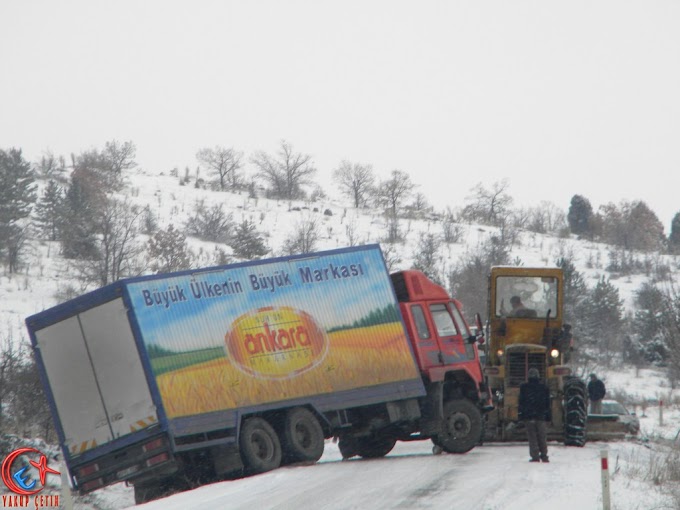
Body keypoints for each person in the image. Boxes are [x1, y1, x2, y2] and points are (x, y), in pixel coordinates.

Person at [518, 367, 551, 463]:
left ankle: (535, 456)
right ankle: (544, 455)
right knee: (542, 437)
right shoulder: (544, 387)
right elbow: (547, 403)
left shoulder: (524, 387)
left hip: (529, 416)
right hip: (540, 416)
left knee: (532, 437)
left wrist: (521, 415)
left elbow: (521, 402)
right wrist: (548, 416)